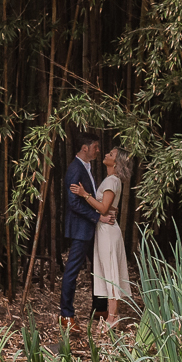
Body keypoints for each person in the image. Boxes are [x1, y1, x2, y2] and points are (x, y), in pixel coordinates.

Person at [59, 132, 103, 326]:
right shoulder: (75, 169)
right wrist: (96, 216)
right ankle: (66, 315)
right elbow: (73, 204)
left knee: (99, 268)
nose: (98, 150)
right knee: (72, 270)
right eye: (95, 147)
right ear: (85, 148)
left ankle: (99, 307)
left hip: (89, 226)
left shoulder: (86, 166)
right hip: (81, 228)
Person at [92, 145, 133, 326]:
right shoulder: (112, 180)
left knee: (110, 271)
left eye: (111, 154)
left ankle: (112, 317)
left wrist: (85, 194)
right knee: (107, 270)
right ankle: (112, 315)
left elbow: (103, 208)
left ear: (116, 163)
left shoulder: (111, 181)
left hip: (107, 230)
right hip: (106, 228)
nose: (106, 154)